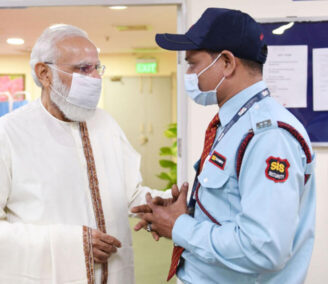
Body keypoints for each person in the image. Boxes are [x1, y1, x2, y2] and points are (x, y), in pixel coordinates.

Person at [0, 24, 170, 284]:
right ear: (44, 73)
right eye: (82, 69)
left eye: (97, 68)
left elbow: (129, 193)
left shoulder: (106, 125)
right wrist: (71, 246)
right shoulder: (5, 135)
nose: (94, 78)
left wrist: (164, 205)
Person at [132, 7, 316, 284]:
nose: (189, 74)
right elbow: (233, 207)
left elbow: (264, 248)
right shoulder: (235, 124)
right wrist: (188, 213)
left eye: (193, 63)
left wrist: (180, 226)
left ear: (228, 62)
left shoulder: (269, 135)